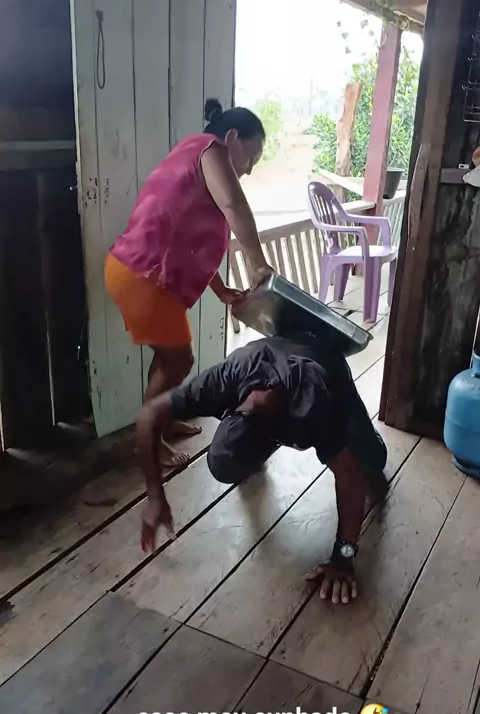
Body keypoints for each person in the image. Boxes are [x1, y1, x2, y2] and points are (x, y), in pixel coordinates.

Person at [136, 332, 388, 605]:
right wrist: (155, 497)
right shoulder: (222, 381)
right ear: (229, 411)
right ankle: (252, 447)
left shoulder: (312, 402)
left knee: (373, 461)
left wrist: (343, 558)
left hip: (329, 369)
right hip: (269, 355)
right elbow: (149, 414)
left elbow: (351, 479)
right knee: (222, 463)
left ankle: (368, 440)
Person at [105, 98, 271, 467]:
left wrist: (220, 288)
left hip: (138, 272)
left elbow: (188, 242)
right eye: (251, 157)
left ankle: (161, 423)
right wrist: (259, 265)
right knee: (180, 360)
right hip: (143, 275)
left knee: (169, 358)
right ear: (232, 137)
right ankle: (148, 442)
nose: (249, 169)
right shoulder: (211, 150)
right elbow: (234, 205)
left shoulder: (192, 152)